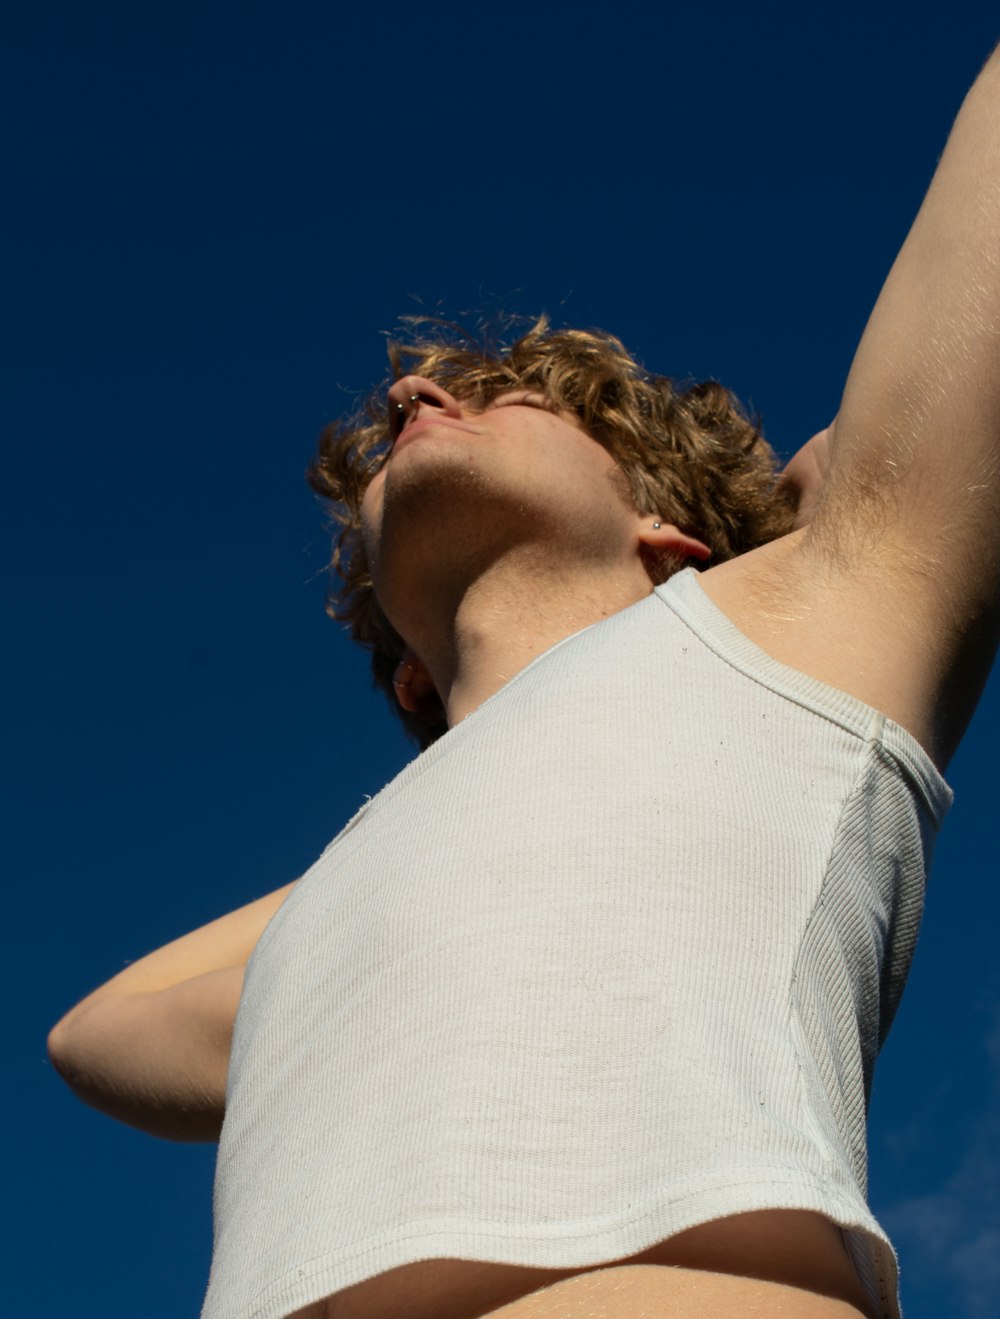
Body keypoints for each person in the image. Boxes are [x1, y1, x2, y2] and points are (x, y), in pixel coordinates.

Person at [47, 43, 1000, 1319]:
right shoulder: (345, 896)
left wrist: (787, 533)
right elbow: (95, 1031)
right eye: (405, 418)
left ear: (668, 529)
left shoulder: (793, 627)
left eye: (504, 398)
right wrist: (444, 792)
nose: (411, 391)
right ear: (399, 680)